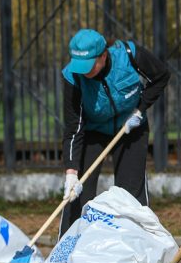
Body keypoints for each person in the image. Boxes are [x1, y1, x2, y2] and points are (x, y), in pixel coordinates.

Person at [60, 29, 170, 235]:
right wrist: (71, 173)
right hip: (93, 131)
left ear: (103, 55)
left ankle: (137, 246)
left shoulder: (129, 55)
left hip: (131, 128)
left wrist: (140, 108)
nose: (84, 72)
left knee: (129, 194)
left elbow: (161, 76)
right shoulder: (72, 77)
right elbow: (74, 126)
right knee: (77, 194)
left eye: (89, 65)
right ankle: (66, 252)